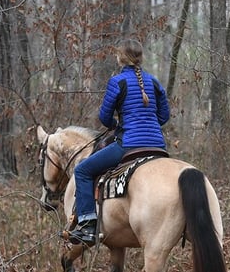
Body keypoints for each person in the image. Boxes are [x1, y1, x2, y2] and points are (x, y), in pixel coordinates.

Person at [69, 38, 170, 245]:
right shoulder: (154, 81)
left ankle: (87, 225)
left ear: (120, 58)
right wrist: (147, 122)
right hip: (158, 146)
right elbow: (164, 116)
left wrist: (117, 123)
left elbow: (104, 118)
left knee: (82, 170)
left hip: (129, 145)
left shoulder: (117, 82)